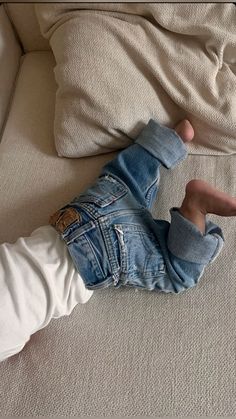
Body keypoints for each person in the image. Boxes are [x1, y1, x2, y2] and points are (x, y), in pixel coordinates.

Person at [1, 119, 236, 362]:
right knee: (121, 181)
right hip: (72, 218)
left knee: (179, 274)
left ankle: (196, 206)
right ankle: (170, 140)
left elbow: (18, 342)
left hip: (101, 259)